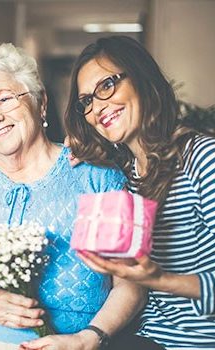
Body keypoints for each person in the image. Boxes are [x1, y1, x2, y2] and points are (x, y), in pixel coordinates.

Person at [0, 42, 146, 350]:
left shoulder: (94, 179)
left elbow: (131, 285)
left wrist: (89, 338)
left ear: (41, 102)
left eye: (4, 100)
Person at [65, 35, 215, 349]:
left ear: (142, 78)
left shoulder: (203, 158)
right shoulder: (127, 175)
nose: (96, 108)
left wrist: (159, 279)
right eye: (86, 101)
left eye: (107, 85)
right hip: (144, 336)